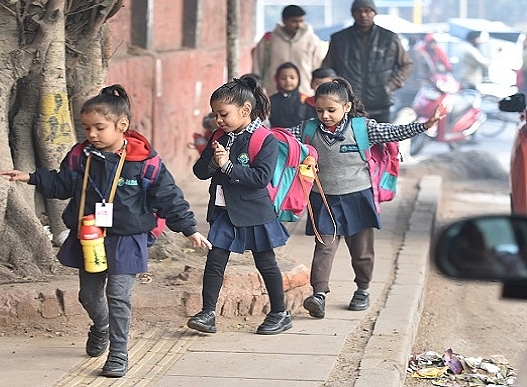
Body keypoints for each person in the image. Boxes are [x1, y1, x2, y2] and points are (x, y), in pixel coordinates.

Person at [0, 85, 212, 378]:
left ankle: (118, 354)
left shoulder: (144, 161)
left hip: (128, 236)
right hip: (90, 236)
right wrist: (31, 177)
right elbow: (63, 184)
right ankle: (102, 327)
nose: (92, 134)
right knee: (88, 295)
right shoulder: (81, 155)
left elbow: (168, 197)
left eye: (99, 128)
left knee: (118, 294)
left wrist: (189, 228)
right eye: (87, 128)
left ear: (121, 126)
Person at [286, 77, 442, 317]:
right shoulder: (307, 129)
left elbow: (395, 132)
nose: (325, 115)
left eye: (331, 110)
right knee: (324, 247)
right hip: (324, 200)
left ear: (346, 107)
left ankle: (362, 288)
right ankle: (319, 294)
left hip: (358, 198)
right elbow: (280, 140)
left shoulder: (363, 128)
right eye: (319, 110)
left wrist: (424, 125)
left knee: (361, 250)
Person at [187, 75, 293, 335]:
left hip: (255, 211)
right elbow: (200, 171)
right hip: (224, 211)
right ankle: (207, 313)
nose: (218, 120)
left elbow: (260, 178)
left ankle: (280, 313)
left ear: (245, 110)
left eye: (223, 114)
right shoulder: (219, 136)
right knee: (215, 259)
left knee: (266, 262)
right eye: (215, 115)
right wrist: (214, 161)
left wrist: (229, 167)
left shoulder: (264, 139)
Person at [321, 0, 413, 123]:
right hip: (348, 105)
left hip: (381, 104)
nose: (363, 14)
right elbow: (326, 68)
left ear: (374, 13)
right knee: (351, 142)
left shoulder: (389, 38)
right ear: (353, 14)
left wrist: (390, 86)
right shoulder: (339, 39)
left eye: (367, 11)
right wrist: (338, 89)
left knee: (381, 142)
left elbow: (406, 64)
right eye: (358, 11)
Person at [252, 4, 324, 97]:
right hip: (273, 94)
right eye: (294, 21)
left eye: (301, 21)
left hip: (305, 95)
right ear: (284, 21)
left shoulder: (312, 40)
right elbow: (257, 67)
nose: (299, 25)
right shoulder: (268, 40)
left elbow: (318, 68)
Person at [269, 61, 310, 128]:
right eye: (283, 78)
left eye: (292, 77)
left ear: (298, 79)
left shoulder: (305, 100)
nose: (288, 80)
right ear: (277, 79)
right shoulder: (270, 101)